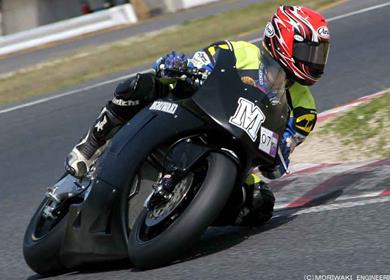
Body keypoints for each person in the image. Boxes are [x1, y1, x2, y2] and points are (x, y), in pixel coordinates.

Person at [65, 5, 330, 226]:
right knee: (141, 84)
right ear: (281, 39)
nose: (315, 61)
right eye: (308, 51)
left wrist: (280, 154)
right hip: (197, 114)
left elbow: (284, 149)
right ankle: (90, 145)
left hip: (239, 152)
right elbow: (198, 64)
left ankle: (188, 216)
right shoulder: (239, 51)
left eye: (319, 54)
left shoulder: (306, 109)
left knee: (261, 204)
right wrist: (179, 66)